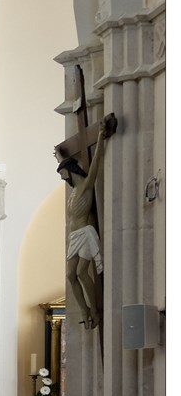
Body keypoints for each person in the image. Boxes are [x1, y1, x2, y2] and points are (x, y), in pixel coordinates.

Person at [59, 114, 117, 328]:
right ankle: (84, 310)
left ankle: (95, 311)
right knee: (70, 275)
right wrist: (58, 153)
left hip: (85, 232)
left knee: (82, 272)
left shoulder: (85, 186)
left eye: (62, 173)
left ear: (70, 170)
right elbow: (61, 157)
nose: (61, 177)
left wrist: (101, 136)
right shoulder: (74, 192)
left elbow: (96, 165)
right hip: (74, 236)